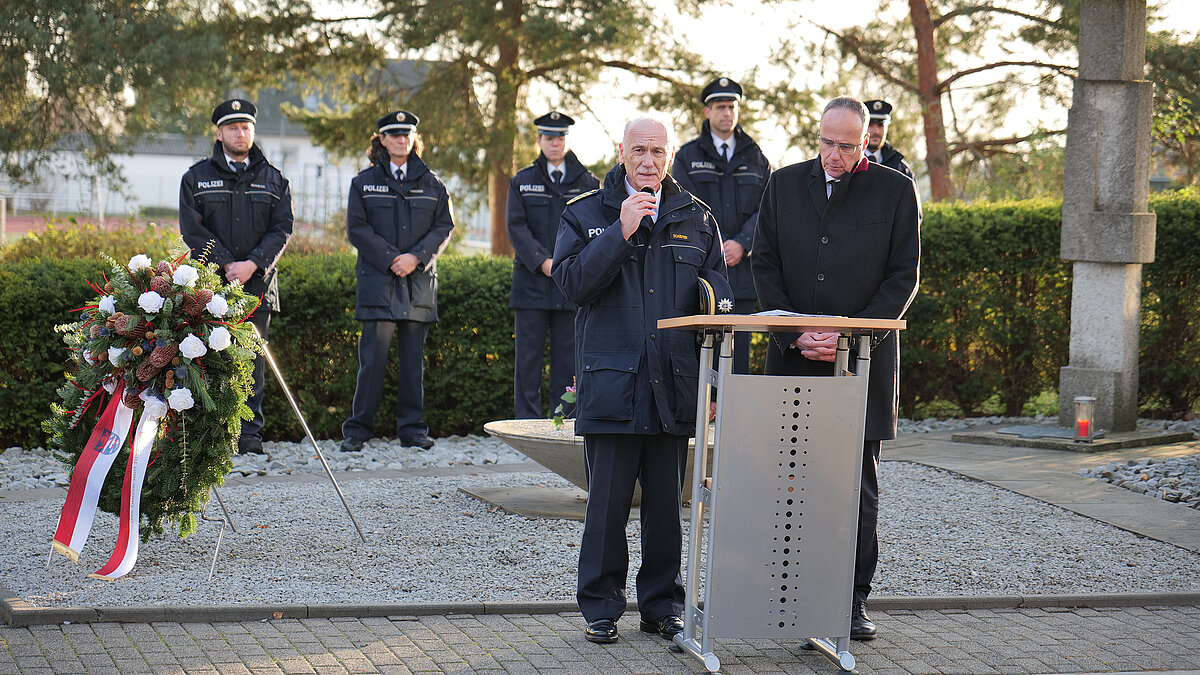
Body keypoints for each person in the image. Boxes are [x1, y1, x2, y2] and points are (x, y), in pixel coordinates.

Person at [552, 114, 727, 645]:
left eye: (657, 152)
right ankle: (601, 607)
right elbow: (572, 285)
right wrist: (620, 232)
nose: (648, 162)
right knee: (605, 507)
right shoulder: (586, 214)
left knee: (664, 510)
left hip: (672, 384)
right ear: (621, 152)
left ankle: (661, 606)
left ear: (669, 155)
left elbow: (719, 304)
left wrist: (714, 379)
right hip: (612, 383)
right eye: (638, 151)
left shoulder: (696, 218)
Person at [751, 96, 921, 640]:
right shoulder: (782, 184)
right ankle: (788, 596)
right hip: (793, 358)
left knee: (854, 487)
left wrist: (845, 334)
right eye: (827, 142)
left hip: (861, 366)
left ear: (866, 141)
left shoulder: (895, 190)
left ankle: (850, 602)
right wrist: (797, 330)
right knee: (790, 481)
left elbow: (902, 279)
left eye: (847, 146)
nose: (833, 155)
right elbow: (765, 263)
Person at [179, 98, 294, 455]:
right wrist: (228, 264)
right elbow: (192, 230)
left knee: (253, 363)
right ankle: (211, 435)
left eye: (245, 127)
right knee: (208, 359)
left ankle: (249, 436)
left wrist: (252, 264)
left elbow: (282, 229)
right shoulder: (196, 178)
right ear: (219, 133)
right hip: (212, 286)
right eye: (232, 127)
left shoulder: (274, 179)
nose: (240, 133)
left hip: (258, 285)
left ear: (253, 132)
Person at [340, 111, 454, 452]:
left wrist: (416, 257)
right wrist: (392, 258)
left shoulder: (433, 184)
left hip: (417, 284)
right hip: (378, 282)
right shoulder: (363, 183)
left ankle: (413, 430)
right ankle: (358, 431)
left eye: (406, 135)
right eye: (394, 135)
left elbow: (444, 226)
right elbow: (357, 228)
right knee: (372, 362)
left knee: (413, 362)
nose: (401, 140)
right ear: (382, 141)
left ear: (413, 139)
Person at [672, 77, 771, 373]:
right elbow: (684, 206)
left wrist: (742, 242)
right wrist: (715, 244)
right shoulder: (687, 157)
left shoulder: (756, 157)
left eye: (731, 107)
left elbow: (767, 208)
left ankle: (736, 418)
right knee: (699, 353)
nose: (727, 113)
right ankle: (700, 415)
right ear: (707, 112)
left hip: (741, 276)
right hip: (700, 273)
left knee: (738, 355)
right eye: (720, 107)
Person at [506, 111, 600, 419]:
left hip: (571, 286)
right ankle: (526, 423)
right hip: (532, 284)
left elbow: (593, 230)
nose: (555, 143)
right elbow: (516, 227)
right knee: (528, 360)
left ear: (567, 141)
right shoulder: (522, 181)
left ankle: (563, 422)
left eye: (560, 138)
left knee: (568, 361)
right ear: (539, 141)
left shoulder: (588, 182)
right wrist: (544, 262)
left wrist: (566, 265)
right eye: (549, 138)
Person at [862, 99, 915, 180]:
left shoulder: (901, 169)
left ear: (887, 128)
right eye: (870, 125)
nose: (876, 131)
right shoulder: (848, 164)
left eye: (880, 125)